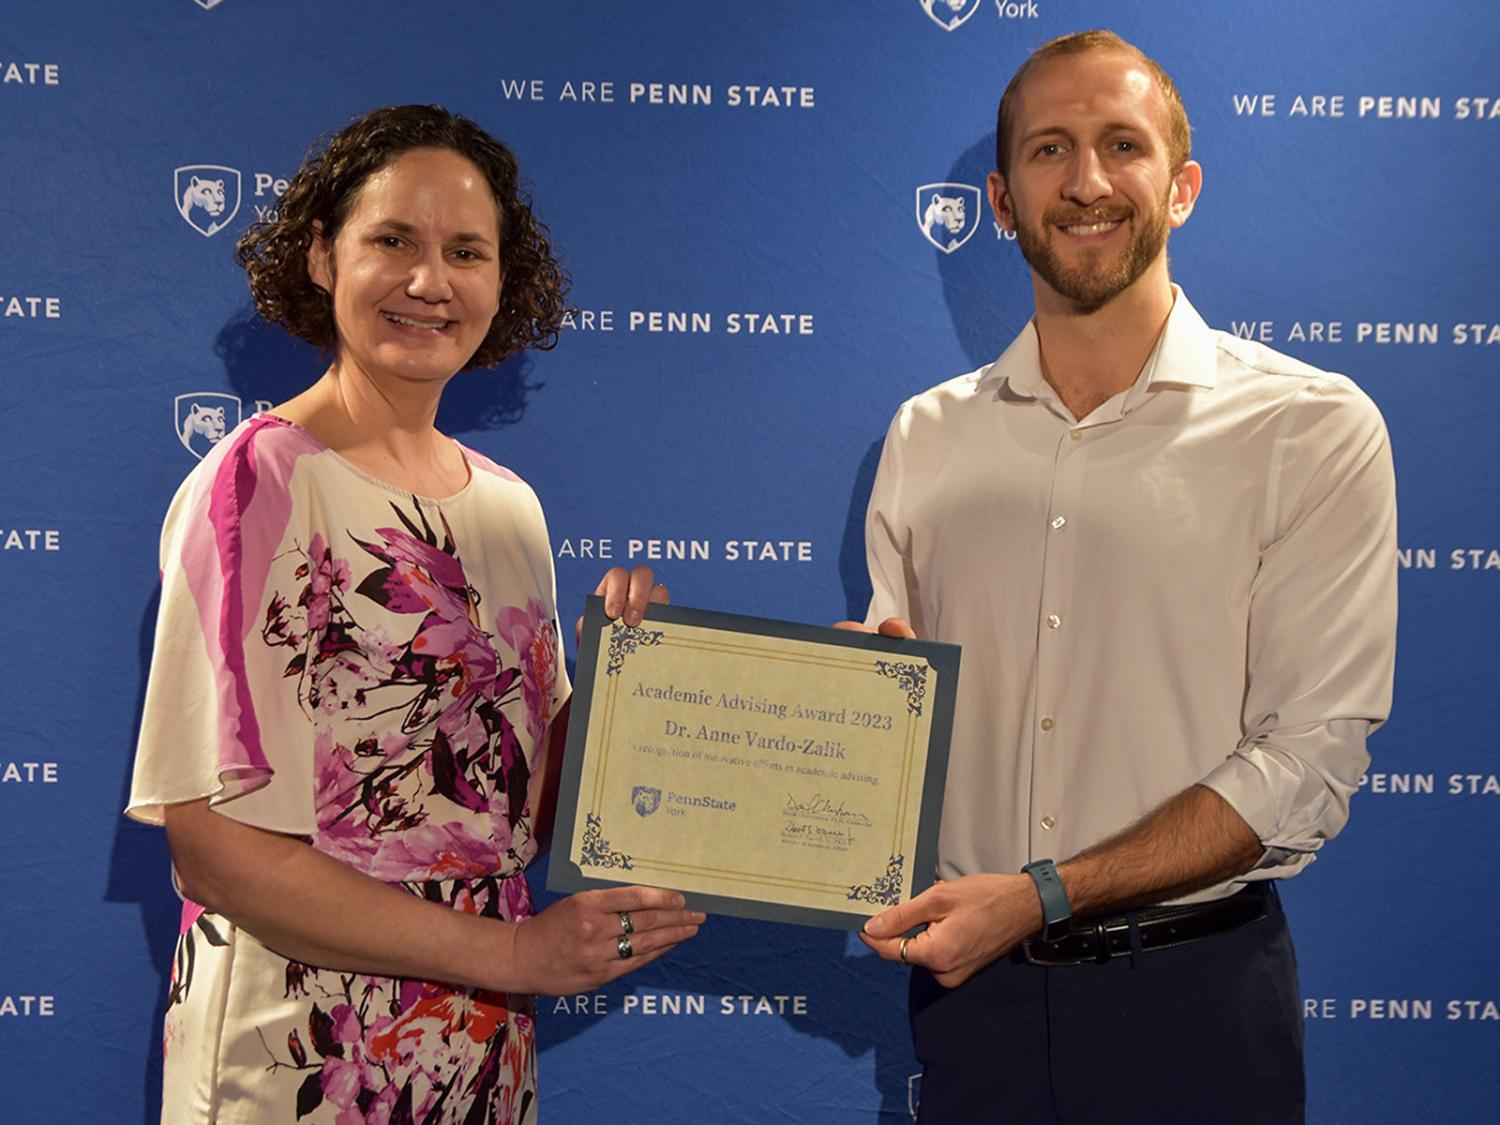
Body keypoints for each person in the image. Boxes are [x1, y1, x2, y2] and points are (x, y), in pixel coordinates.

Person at [851, 31, 1397, 1123]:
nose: (1088, 181)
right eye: (1050, 149)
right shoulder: (926, 436)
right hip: (974, 1004)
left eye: (1123, 145)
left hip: (1197, 1002)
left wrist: (1044, 895)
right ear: (1003, 203)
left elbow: (1308, 761)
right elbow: (891, 725)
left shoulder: (1309, 426)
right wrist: (813, 707)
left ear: (1181, 187)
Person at [127, 105, 703, 1123]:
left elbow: (515, 815)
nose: (430, 282)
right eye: (393, 240)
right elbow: (212, 845)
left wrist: (625, 683)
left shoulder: (510, 509)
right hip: (299, 1058)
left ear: (504, 281)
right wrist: (517, 953)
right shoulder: (259, 483)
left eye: (466, 252)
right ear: (321, 255)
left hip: (479, 1053)